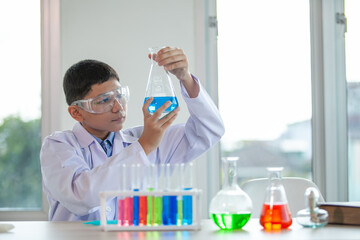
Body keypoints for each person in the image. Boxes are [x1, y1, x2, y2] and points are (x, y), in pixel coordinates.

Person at [40, 46, 225, 221]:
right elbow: (81, 197)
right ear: (76, 112)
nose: (118, 107)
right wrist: (145, 146)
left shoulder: (146, 137)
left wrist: (186, 79)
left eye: (120, 95)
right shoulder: (58, 146)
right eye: (104, 100)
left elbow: (210, 129)